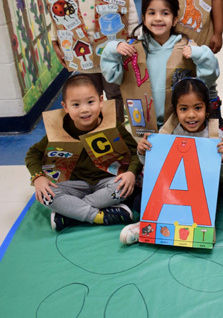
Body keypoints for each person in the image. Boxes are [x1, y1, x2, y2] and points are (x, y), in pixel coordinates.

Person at [120, 77, 223, 244]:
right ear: (175, 111)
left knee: (213, 204)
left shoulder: (215, 135)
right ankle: (145, 226)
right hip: (173, 190)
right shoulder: (169, 132)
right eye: (184, 109)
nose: (191, 115)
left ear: (207, 109)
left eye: (198, 108)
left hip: (199, 195)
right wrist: (143, 151)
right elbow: (155, 170)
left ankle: (190, 229)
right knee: (139, 201)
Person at [26, 74, 140, 231]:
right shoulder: (61, 129)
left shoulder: (113, 124)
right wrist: (38, 178)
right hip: (73, 185)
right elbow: (33, 154)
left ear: (101, 101)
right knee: (46, 195)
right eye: (75, 105)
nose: (84, 109)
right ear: (65, 107)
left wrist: (131, 173)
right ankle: (99, 216)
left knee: (124, 188)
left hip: (107, 182)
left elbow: (136, 152)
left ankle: (69, 214)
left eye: (90, 102)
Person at [101, 0, 219, 131]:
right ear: (143, 18)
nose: (158, 18)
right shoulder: (133, 49)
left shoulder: (185, 47)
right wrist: (113, 48)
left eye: (165, 13)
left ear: (175, 19)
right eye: (151, 13)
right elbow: (112, 75)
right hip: (145, 125)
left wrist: (199, 53)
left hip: (180, 125)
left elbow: (209, 77)